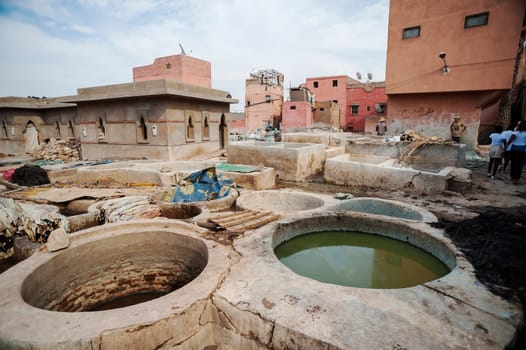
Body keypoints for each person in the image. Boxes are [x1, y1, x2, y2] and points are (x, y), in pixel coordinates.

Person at [503, 121, 526, 185]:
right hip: (522, 150)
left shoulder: (515, 133)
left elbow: (509, 141)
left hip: (514, 150)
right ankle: (517, 179)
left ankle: (513, 177)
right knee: (519, 165)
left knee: (513, 164)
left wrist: (504, 148)